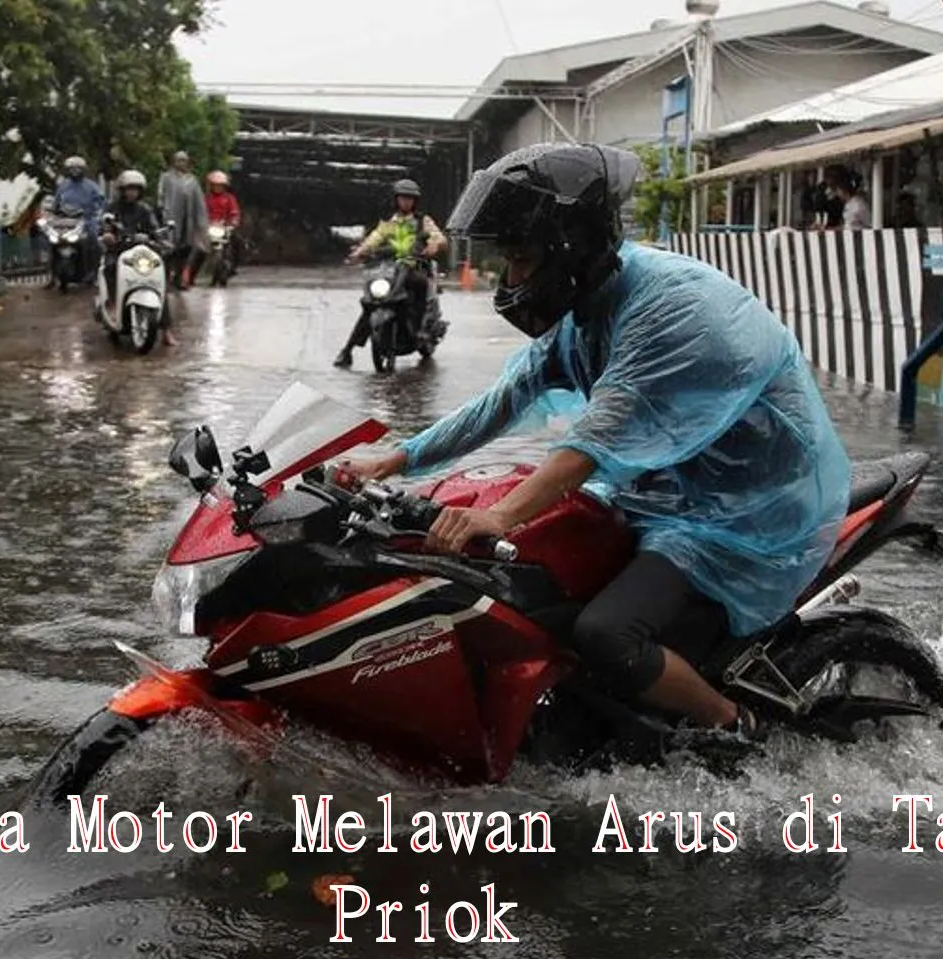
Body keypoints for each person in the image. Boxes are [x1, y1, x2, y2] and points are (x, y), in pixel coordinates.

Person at [335, 143, 852, 745]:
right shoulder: (587, 312)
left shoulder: (670, 308)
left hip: (744, 512)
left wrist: (497, 515)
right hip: (665, 489)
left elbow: (593, 441)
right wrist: (395, 459)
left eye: (522, 260)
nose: (514, 279)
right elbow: (502, 401)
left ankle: (733, 725)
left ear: (567, 250)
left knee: (605, 633)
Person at [336, 178, 450, 368]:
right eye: (402, 198)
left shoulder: (424, 221)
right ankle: (347, 350)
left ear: (415, 201)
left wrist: (433, 245)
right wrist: (358, 254)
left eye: (409, 199)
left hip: (415, 268)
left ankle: (421, 327)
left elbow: (439, 239)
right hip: (390, 272)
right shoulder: (388, 224)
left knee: (421, 284)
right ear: (396, 200)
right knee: (370, 304)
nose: (406, 202)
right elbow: (373, 240)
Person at [101, 169, 178, 348]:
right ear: (122, 190)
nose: (132, 192)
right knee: (110, 267)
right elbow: (105, 225)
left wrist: (162, 239)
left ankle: (167, 330)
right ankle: (112, 303)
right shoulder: (113, 208)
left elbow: (154, 228)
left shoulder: (145, 208)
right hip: (120, 249)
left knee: (158, 281)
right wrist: (108, 235)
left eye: (135, 189)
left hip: (142, 251)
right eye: (128, 189)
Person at [158, 151, 209, 290]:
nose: (181, 163)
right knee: (169, 249)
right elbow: (161, 197)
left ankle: (179, 278)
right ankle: (166, 279)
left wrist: (201, 222)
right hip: (171, 220)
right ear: (174, 162)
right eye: (178, 160)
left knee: (186, 249)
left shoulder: (192, 180)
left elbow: (199, 202)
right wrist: (163, 212)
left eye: (184, 160)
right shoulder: (166, 177)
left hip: (189, 220)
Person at [51, 156, 107, 280]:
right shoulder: (63, 186)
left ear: (83, 170)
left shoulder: (91, 186)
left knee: (93, 240)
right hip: (66, 222)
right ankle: (52, 274)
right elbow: (55, 203)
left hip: (87, 220)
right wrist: (53, 211)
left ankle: (92, 271)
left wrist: (97, 213)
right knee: (52, 240)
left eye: (78, 169)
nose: (75, 171)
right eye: (72, 169)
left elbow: (101, 202)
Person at [204, 169, 243, 275]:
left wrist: (233, 222)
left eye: (220, 185)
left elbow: (235, 212)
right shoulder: (206, 199)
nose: (218, 188)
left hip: (224, 227)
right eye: (215, 185)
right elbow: (201, 213)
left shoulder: (229, 198)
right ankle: (191, 274)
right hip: (209, 228)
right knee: (197, 250)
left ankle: (234, 266)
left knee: (238, 242)